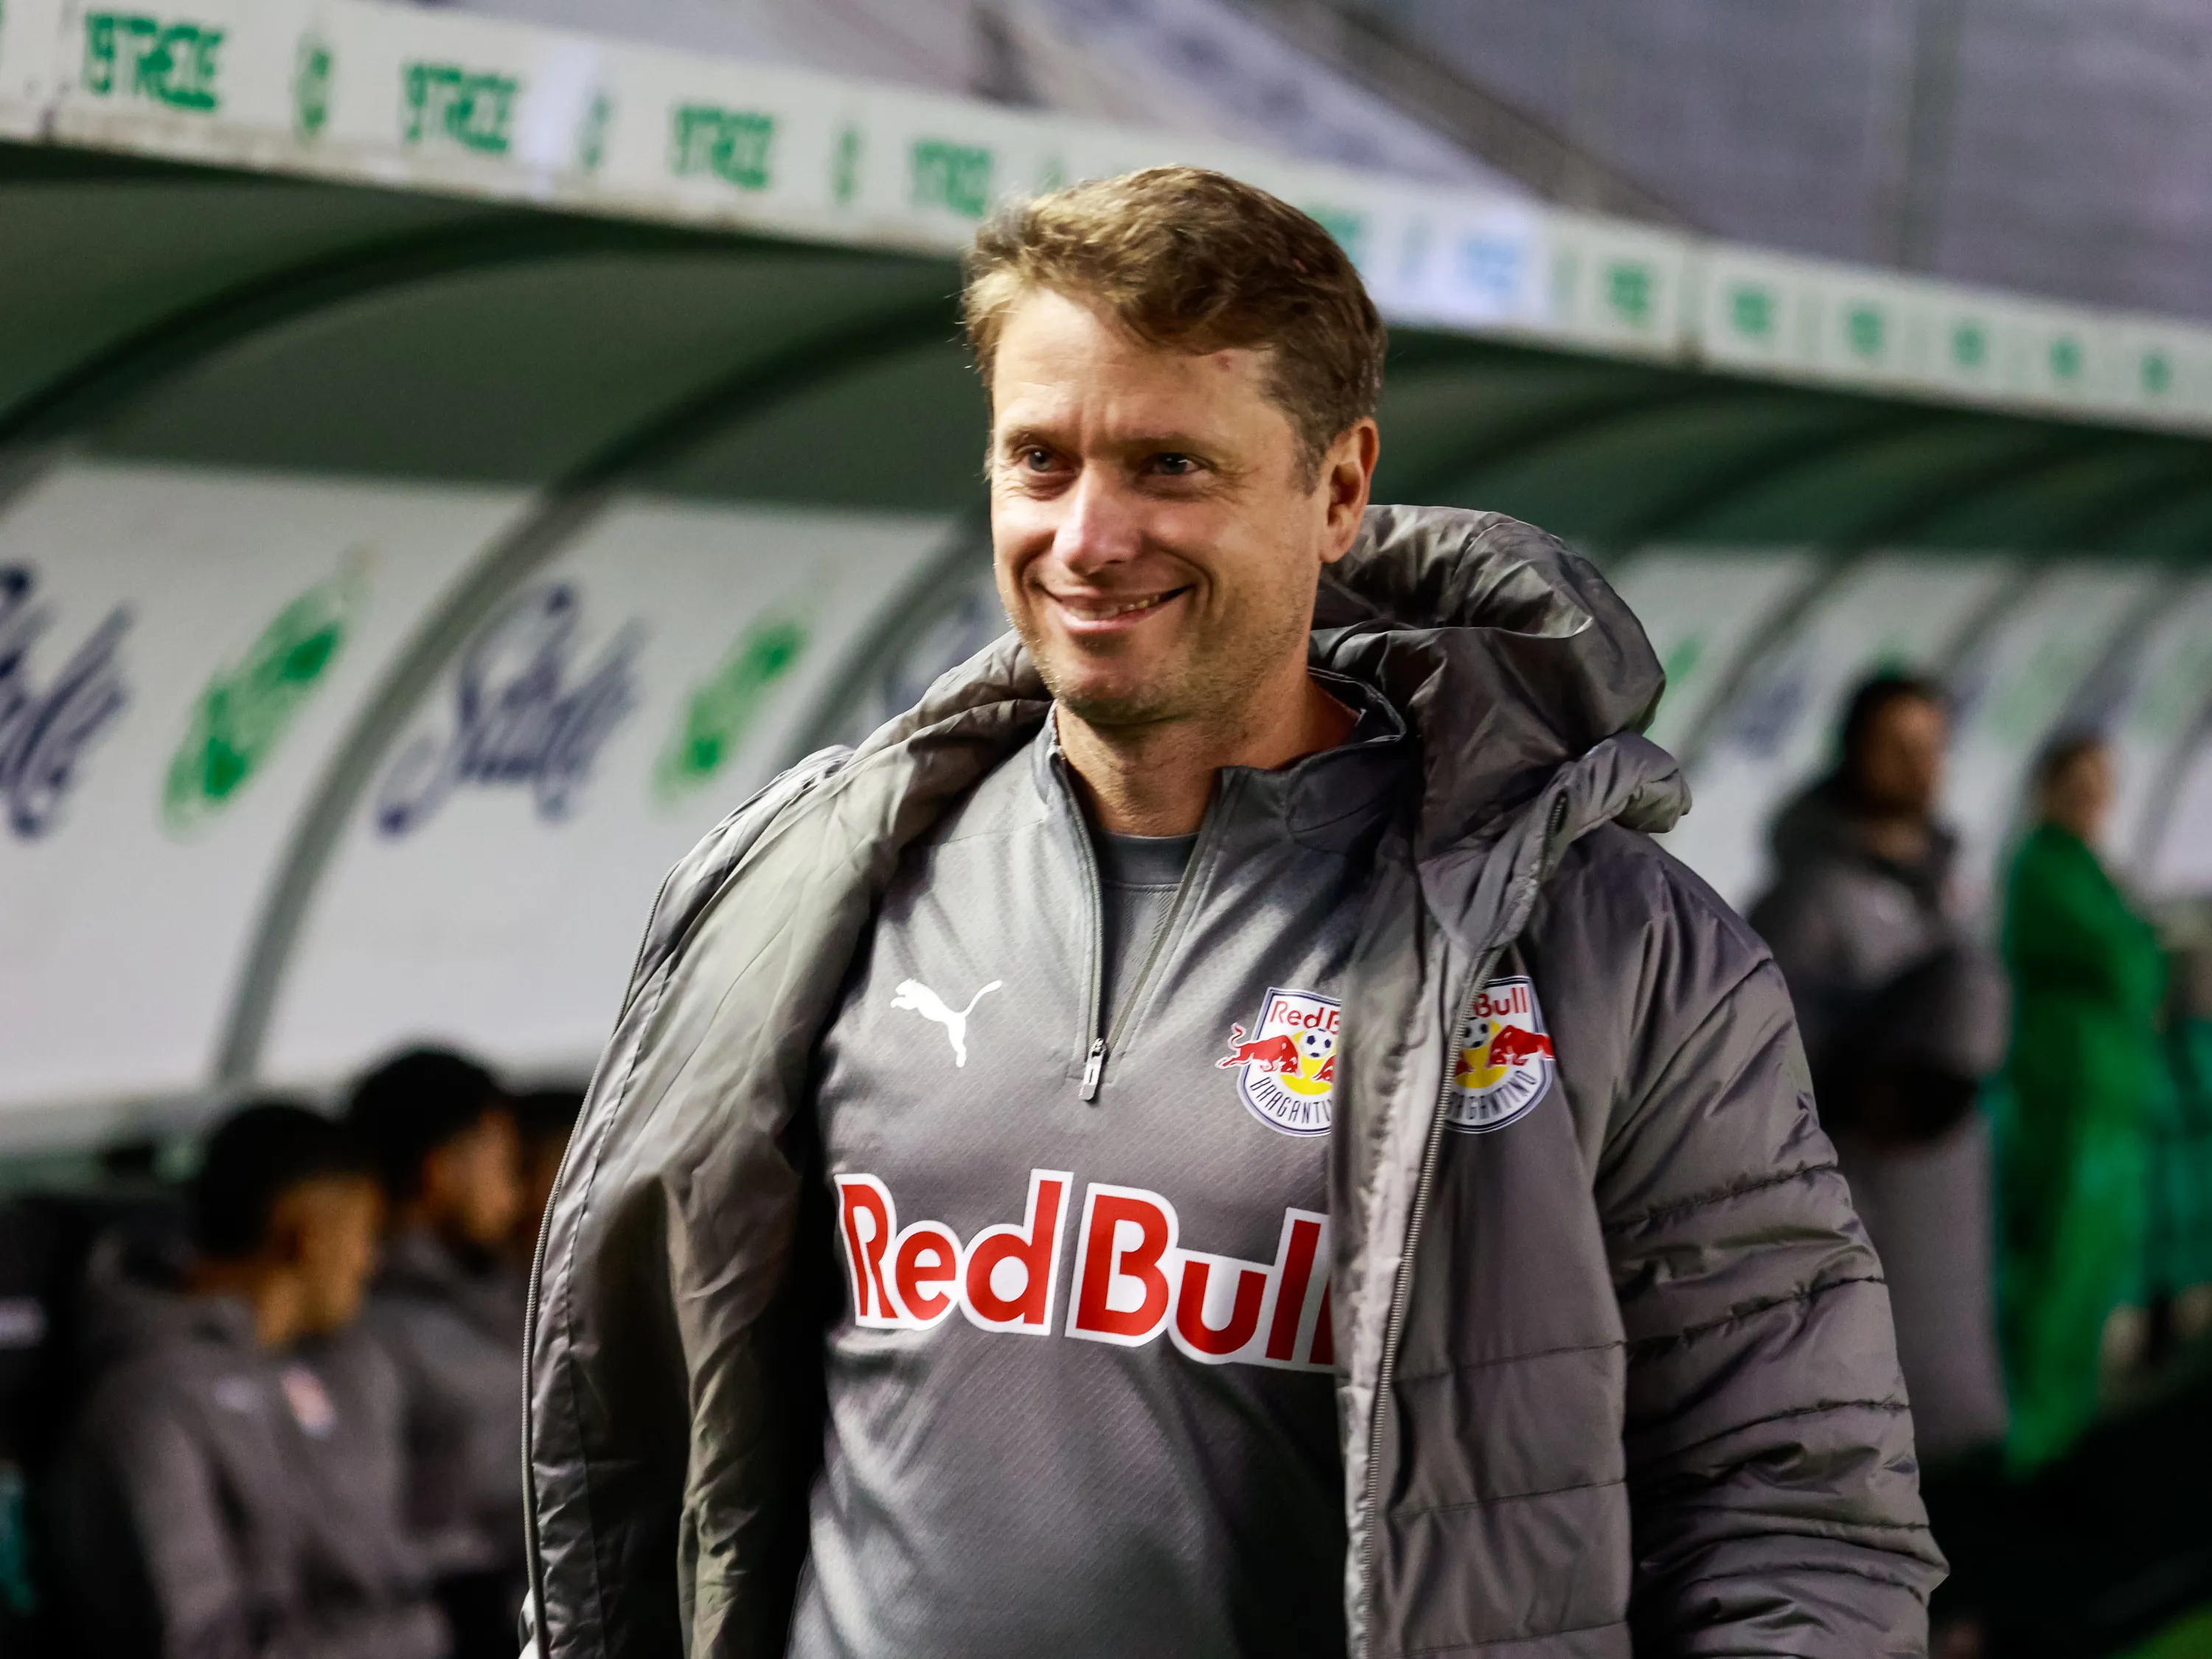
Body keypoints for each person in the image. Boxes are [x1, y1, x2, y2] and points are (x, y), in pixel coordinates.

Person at [526, 166, 1942, 1658]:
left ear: (1337, 492)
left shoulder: (1613, 949)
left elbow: (1796, 1501)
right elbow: (626, 1454)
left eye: (1169, 469)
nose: (1088, 537)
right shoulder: (802, 883)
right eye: (1040, 461)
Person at [52, 1102, 445, 1658]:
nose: (369, 1262)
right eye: (364, 1235)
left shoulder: (317, 1370)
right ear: (306, 1235)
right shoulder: (147, 1405)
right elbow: (198, 1642)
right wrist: (412, 1638)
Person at [1750, 675, 2009, 1459]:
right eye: (1897, 746)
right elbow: (1777, 1080)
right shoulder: (1807, 901)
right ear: (1852, 754)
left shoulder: (1946, 887)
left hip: (1946, 1219)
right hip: (1861, 1219)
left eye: (1931, 746)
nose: (1917, 765)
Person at [2000, 733, 2169, 1470]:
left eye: (2103, 781)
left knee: (2091, 1283)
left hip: (2110, 1109)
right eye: (2079, 780)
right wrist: (2139, 949)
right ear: (2047, 788)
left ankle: (2068, 1442)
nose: (2093, 795)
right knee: (2054, 1285)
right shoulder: (2041, 868)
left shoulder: (2093, 873)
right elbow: (2130, 963)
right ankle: (2029, 1452)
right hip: (2066, 1111)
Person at [347, 1049, 526, 1657]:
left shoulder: (493, 1293)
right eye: (502, 1166)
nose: (514, 1194)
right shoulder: (369, 1328)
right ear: (440, 1171)